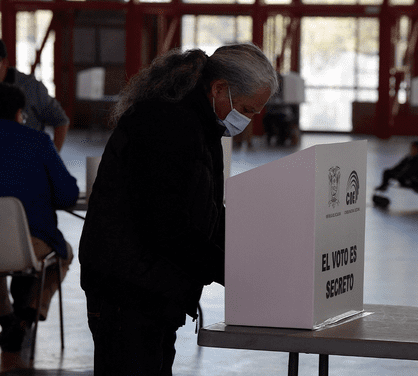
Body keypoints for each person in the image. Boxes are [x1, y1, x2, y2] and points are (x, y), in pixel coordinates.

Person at [79, 44, 278, 376]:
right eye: (246, 108)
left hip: (156, 286)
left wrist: (253, 255)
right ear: (219, 89)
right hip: (126, 288)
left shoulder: (201, 124)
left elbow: (208, 209)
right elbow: (166, 226)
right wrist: (236, 272)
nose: (248, 120)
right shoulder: (164, 124)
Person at [0, 82, 78, 352]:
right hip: (30, 243)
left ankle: (6, 316)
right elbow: (68, 195)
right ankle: (29, 314)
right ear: (19, 113)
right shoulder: (38, 141)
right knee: (64, 254)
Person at [0, 38, 70, 152]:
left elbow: (61, 120)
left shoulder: (31, 88)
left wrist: (52, 157)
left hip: (28, 161)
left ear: (4, 63)